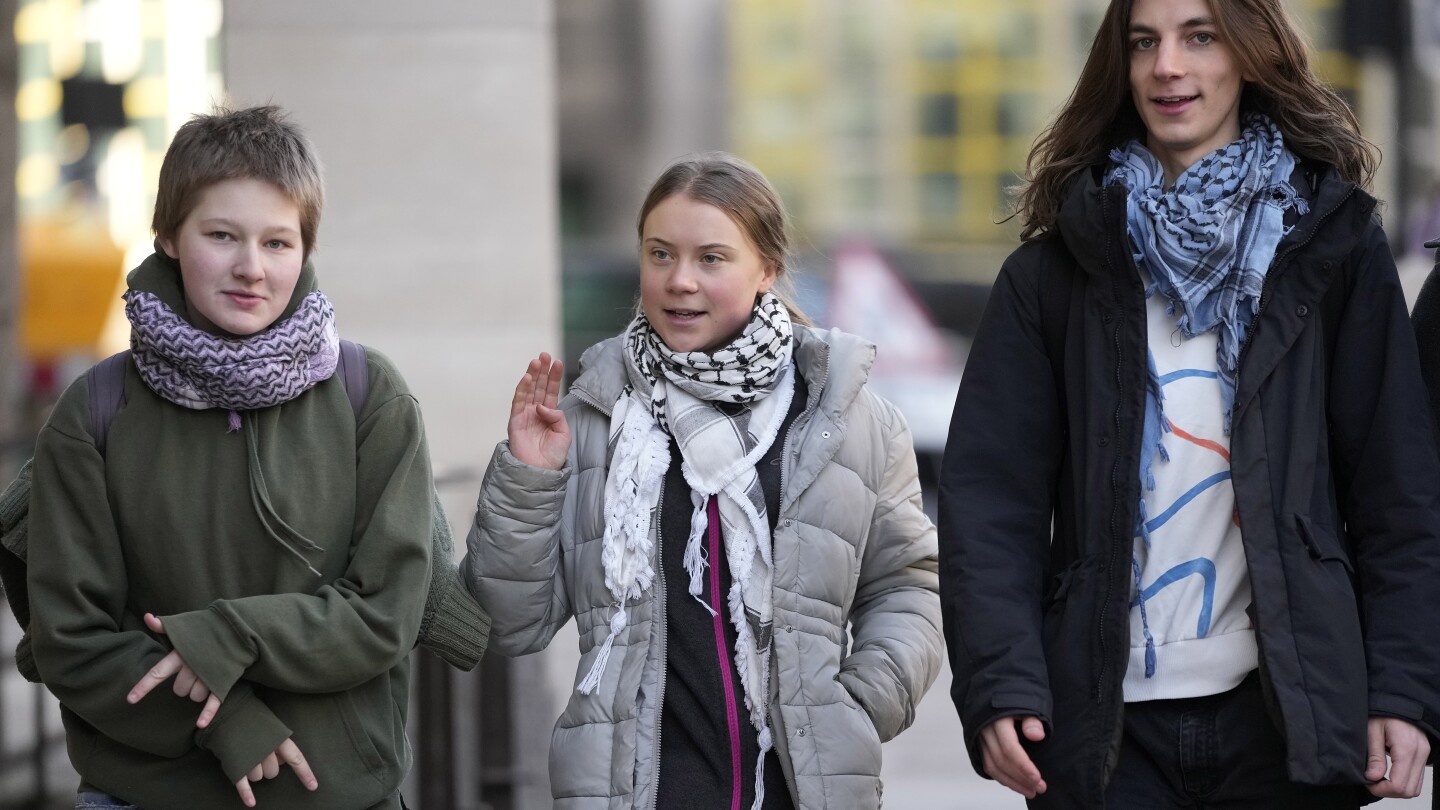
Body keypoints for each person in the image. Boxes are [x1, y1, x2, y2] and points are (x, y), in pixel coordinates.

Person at [938, 0, 1440, 806]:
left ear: (1249, 54)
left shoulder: (1332, 250)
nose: (1166, 65)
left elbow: (1398, 492)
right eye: (1144, 42)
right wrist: (1000, 681)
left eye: (1199, 36)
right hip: (1104, 730)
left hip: (1288, 722)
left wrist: (1404, 691)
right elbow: (993, 503)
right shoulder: (1055, 275)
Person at [461, 153, 942, 809]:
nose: (679, 280)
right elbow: (508, 623)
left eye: (711, 258)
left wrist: (854, 704)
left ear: (766, 268)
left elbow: (908, 586)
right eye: (660, 254)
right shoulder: (592, 421)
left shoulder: (849, 421)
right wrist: (526, 480)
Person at [26, 106, 434, 809]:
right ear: (169, 237)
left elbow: (386, 614)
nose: (252, 268)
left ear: (305, 249)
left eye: (278, 243)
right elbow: (70, 638)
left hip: (340, 796)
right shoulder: (94, 412)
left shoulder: (371, 397)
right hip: (146, 797)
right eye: (222, 236)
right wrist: (226, 722)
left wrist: (227, 634)